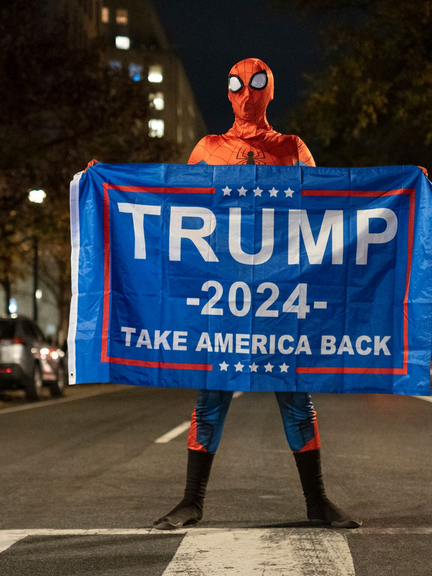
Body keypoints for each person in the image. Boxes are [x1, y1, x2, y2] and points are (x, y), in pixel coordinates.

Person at [153, 58, 360, 530]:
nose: (246, 92)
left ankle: (317, 502)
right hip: (223, 297)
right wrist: (104, 186)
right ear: (228, 91)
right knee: (210, 397)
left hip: (278, 295)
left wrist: (403, 190)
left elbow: (328, 208)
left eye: (257, 82)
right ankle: (191, 501)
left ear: (270, 89)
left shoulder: (292, 148)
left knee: (295, 396)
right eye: (237, 84)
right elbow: (174, 206)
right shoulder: (208, 148)